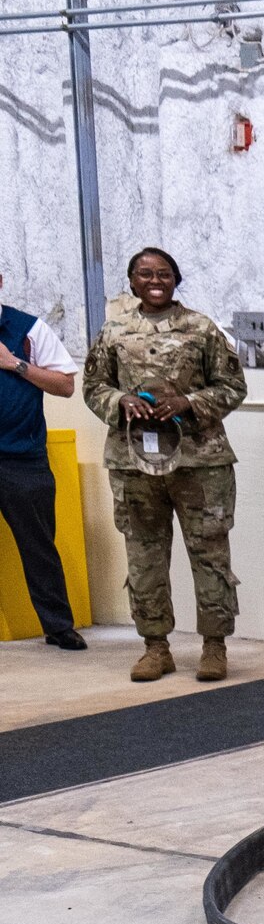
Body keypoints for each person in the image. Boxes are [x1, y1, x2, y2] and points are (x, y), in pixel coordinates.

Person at [83, 248, 247, 682]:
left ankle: (215, 646)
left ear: (176, 279)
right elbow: (93, 385)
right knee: (144, 557)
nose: (155, 280)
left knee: (210, 555)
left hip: (200, 463)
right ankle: (156, 647)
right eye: (145, 274)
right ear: (132, 281)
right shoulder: (114, 330)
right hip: (134, 463)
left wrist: (188, 403)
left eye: (164, 273)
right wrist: (122, 401)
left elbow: (232, 385)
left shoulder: (202, 328)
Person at [0, 270, 87, 651]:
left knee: (38, 546)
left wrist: (14, 363)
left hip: (22, 458)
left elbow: (66, 385)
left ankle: (58, 626)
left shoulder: (27, 328)